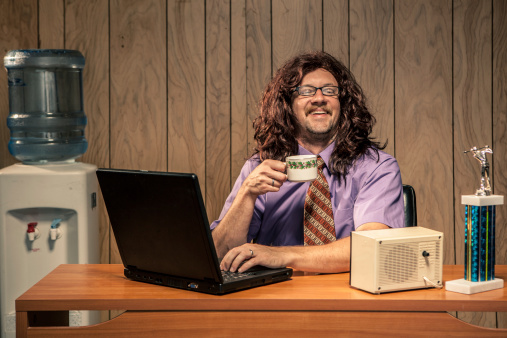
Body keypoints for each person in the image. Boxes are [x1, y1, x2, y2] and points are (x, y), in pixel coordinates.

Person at [211, 51, 404, 274]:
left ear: (343, 103)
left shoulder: (376, 167)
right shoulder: (259, 168)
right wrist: (247, 194)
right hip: (275, 298)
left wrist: (280, 255)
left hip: (352, 296)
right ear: (287, 105)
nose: (319, 98)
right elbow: (221, 255)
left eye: (330, 90)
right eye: (306, 91)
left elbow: (372, 247)